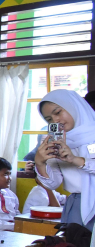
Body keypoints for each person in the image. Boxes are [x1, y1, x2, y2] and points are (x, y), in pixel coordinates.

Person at [34, 90, 95, 231]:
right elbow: (53, 183)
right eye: (49, 119)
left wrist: (74, 159)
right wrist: (40, 163)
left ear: (73, 106)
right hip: (77, 206)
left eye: (58, 112)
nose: (55, 120)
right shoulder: (57, 142)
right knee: (76, 244)